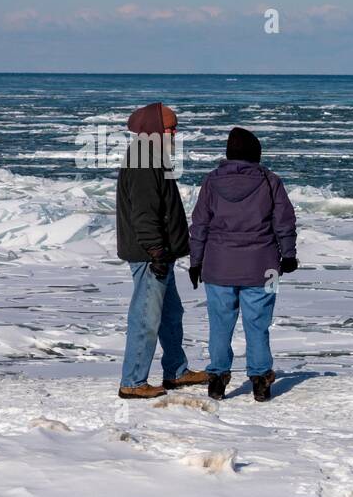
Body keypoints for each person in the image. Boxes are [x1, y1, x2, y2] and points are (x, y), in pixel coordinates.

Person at [188, 127, 298, 402]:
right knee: (258, 324)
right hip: (264, 266)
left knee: (220, 325)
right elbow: (284, 221)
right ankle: (260, 379)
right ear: (255, 154)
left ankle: (217, 378)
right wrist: (288, 254)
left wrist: (195, 261)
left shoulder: (211, 182)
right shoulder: (270, 181)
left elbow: (200, 224)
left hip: (217, 266)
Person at [116, 102, 209, 399]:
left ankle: (176, 371)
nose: (174, 133)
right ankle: (132, 381)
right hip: (150, 255)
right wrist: (156, 249)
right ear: (154, 129)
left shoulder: (152, 155)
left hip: (160, 252)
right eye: (170, 128)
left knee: (171, 314)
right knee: (146, 317)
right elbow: (144, 212)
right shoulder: (143, 159)